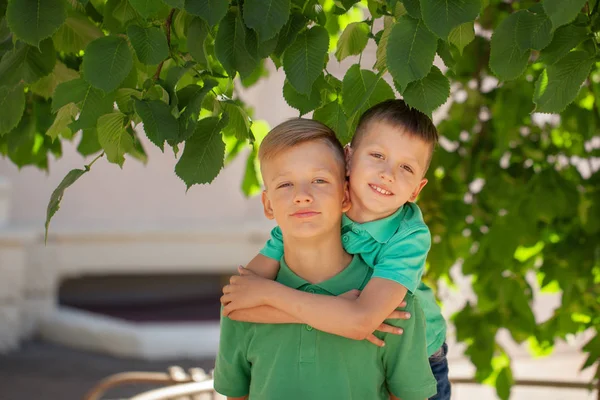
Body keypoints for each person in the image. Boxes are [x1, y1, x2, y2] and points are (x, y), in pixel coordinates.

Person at [221, 100, 450, 400]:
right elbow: (239, 302)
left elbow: (361, 321)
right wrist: (330, 311)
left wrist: (270, 294)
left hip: (418, 351)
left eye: (406, 167)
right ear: (348, 157)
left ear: (416, 190)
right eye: (378, 155)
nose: (387, 173)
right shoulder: (321, 206)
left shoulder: (409, 236)